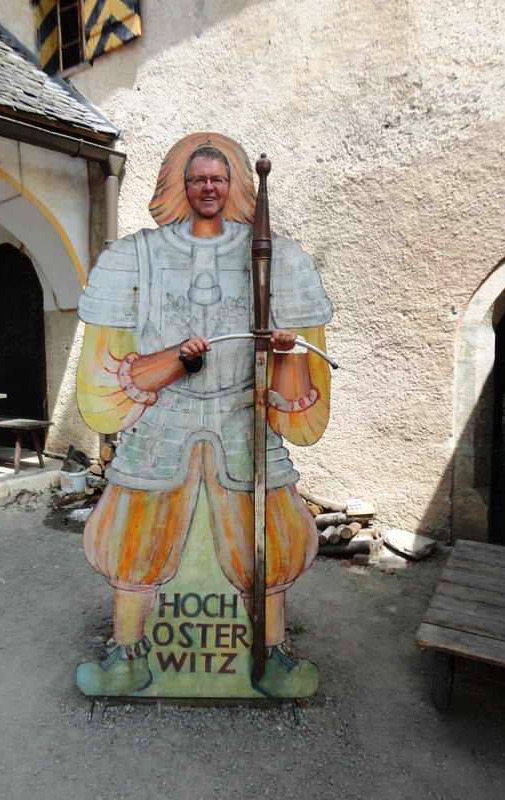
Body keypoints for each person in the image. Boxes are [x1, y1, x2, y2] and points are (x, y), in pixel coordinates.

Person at [75, 132, 332, 697]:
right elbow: (104, 384)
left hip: (244, 419)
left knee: (272, 538)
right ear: (179, 184)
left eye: (218, 178)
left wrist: (285, 352)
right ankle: (127, 654)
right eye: (197, 179)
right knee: (132, 538)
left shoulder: (283, 259)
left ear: (235, 183)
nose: (208, 188)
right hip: (161, 421)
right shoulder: (133, 257)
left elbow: (301, 400)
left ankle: (270, 654)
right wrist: (175, 359)